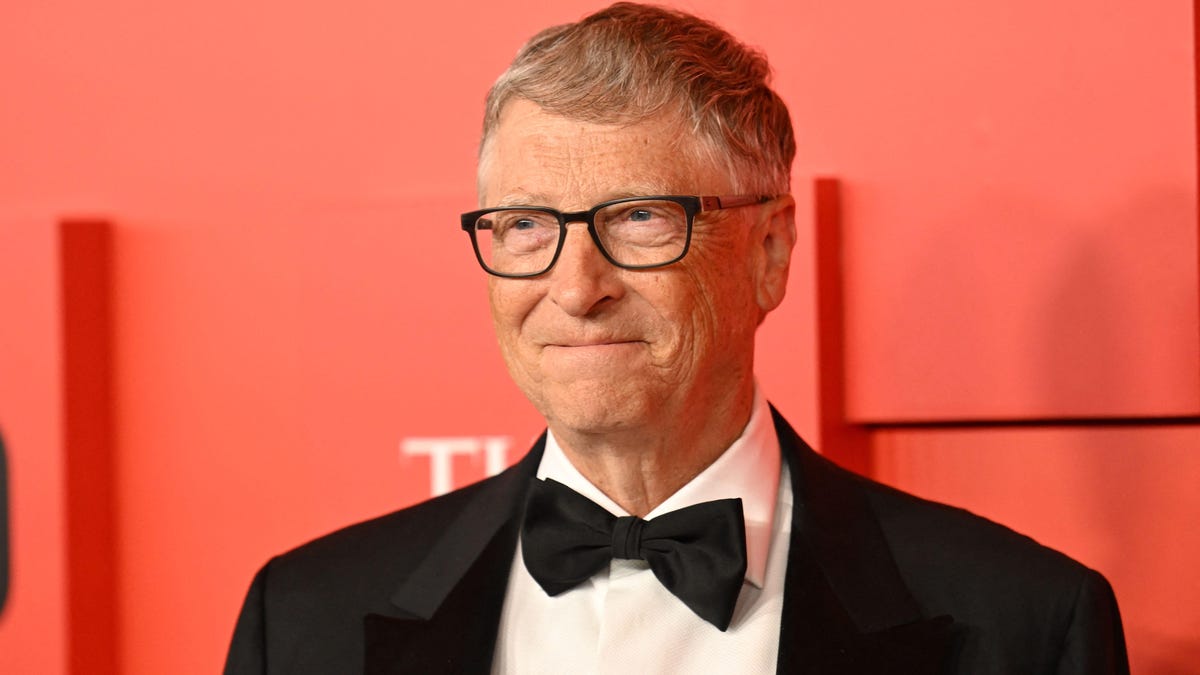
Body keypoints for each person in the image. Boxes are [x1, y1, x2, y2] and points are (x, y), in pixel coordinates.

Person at [223, 3, 1129, 673]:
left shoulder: (1024, 625)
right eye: (527, 225)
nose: (576, 288)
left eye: (641, 217)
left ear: (769, 252)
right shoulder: (302, 619)